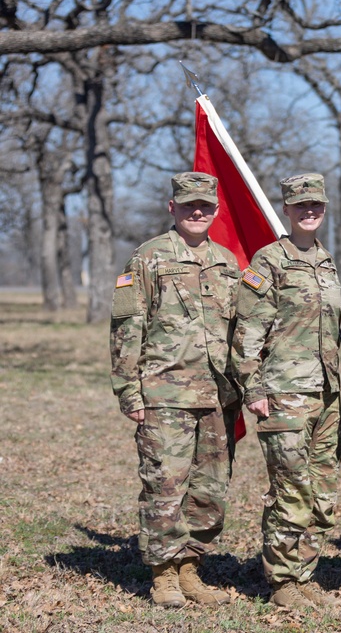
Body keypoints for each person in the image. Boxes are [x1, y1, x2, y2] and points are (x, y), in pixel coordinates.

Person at [109, 171, 241, 607]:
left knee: (210, 489)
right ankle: (164, 575)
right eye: (189, 205)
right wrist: (129, 390)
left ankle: (190, 570)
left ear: (217, 211)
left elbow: (241, 330)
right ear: (173, 208)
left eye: (205, 205)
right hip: (164, 394)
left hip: (217, 396)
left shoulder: (227, 262)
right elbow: (128, 327)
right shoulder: (147, 258)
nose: (198, 212)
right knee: (164, 486)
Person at [231, 173, 341, 610]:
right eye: (300, 206)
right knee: (291, 488)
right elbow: (247, 332)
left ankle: (304, 574)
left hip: (327, 394)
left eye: (315, 205)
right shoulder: (269, 261)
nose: (309, 211)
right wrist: (253, 388)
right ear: (287, 209)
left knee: (323, 491)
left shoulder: (326, 260)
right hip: (284, 394)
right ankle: (282, 582)